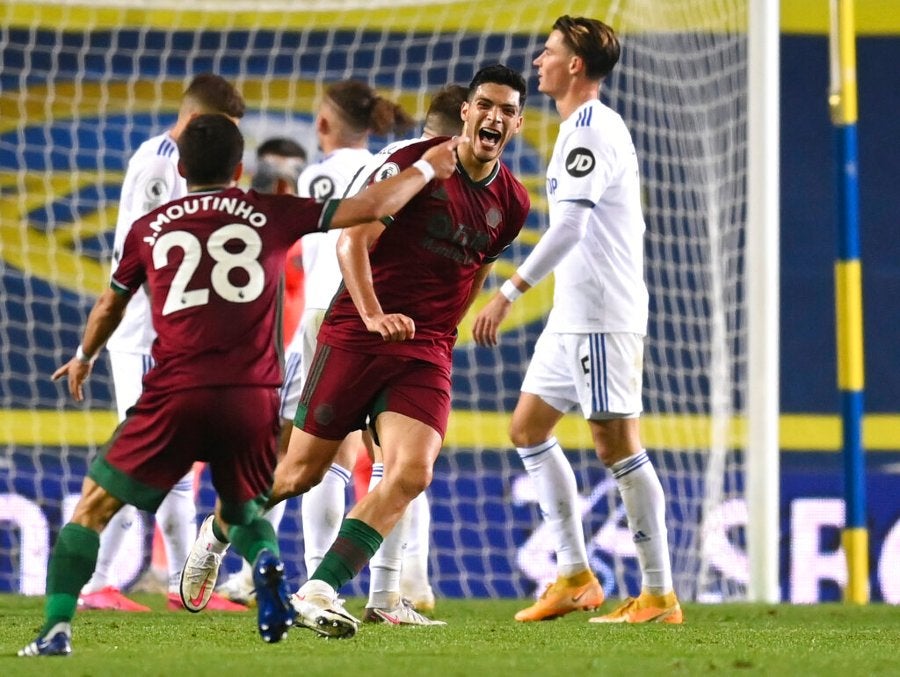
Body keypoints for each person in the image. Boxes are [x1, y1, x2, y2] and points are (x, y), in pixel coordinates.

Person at [17, 114, 464, 658]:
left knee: (92, 508)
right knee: (251, 503)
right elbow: (370, 207)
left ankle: (56, 630)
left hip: (174, 389)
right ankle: (269, 570)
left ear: (180, 168)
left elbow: (112, 302)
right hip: (252, 394)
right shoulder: (269, 212)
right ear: (238, 167)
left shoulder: (149, 228)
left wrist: (86, 355)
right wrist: (425, 167)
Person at [472, 16, 682, 625]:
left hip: (602, 312)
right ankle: (572, 574)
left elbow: (570, 225)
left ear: (574, 67)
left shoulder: (592, 129)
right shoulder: (574, 129)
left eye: (550, 51)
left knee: (616, 444)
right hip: (573, 313)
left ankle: (659, 593)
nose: (539, 58)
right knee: (528, 428)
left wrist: (508, 290)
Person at [215, 83, 415, 606]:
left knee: (313, 454)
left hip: (323, 316)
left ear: (323, 126)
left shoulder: (317, 174)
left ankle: (291, 572)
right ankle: (389, 586)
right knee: (388, 456)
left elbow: (305, 248)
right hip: (374, 313)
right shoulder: (388, 170)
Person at [78, 73, 247, 614]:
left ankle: (177, 583)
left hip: (166, 330)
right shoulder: (159, 163)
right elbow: (146, 248)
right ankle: (100, 583)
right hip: (151, 331)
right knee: (146, 454)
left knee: (169, 453)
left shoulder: (174, 160)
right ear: (198, 122)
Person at [341, 82, 469, 623]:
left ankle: (380, 595)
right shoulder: (421, 172)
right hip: (369, 323)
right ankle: (229, 540)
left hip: (346, 321)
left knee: (383, 468)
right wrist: (373, 314)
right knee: (318, 470)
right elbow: (355, 242)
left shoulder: (377, 162)